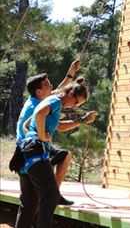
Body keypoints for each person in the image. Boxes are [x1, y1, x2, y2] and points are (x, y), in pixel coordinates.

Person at [15, 83, 95, 228]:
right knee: (51, 196)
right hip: (35, 150)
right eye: (76, 101)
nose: (75, 106)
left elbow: (30, 124)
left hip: (27, 152)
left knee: (30, 203)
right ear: (70, 92)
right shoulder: (56, 101)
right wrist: (41, 136)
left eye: (79, 105)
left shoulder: (52, 103)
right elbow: (39, 113)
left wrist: (82, 120)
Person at [15, 60, 84, 207]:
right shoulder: (36, 105)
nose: (52, 86)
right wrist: (41, 137)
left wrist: (71, 73)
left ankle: (53, 194)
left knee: (28, 203)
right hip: (28, 150)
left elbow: (60, 91)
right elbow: (26, 127)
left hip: (28, 147)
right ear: (40, 91)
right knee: (64, 156)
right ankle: (54, 194)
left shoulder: (37, 99)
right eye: (47, 84)